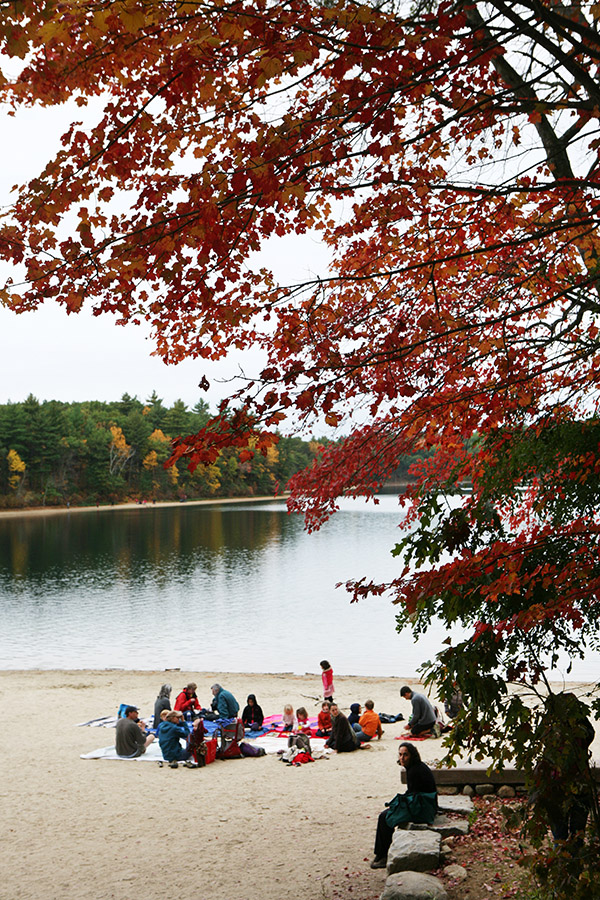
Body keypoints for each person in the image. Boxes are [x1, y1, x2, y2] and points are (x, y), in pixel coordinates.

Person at [370, 742, 438, 868]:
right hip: (420, 802)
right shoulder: (414, 767)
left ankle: (382, 855)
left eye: (405, 755)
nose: (402, 758)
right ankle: (381, 854)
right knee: (387, 814)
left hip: (422, 806)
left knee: (385, 817)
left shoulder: (415, 770)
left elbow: (414, 794)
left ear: (412, 755)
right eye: (400, 755)